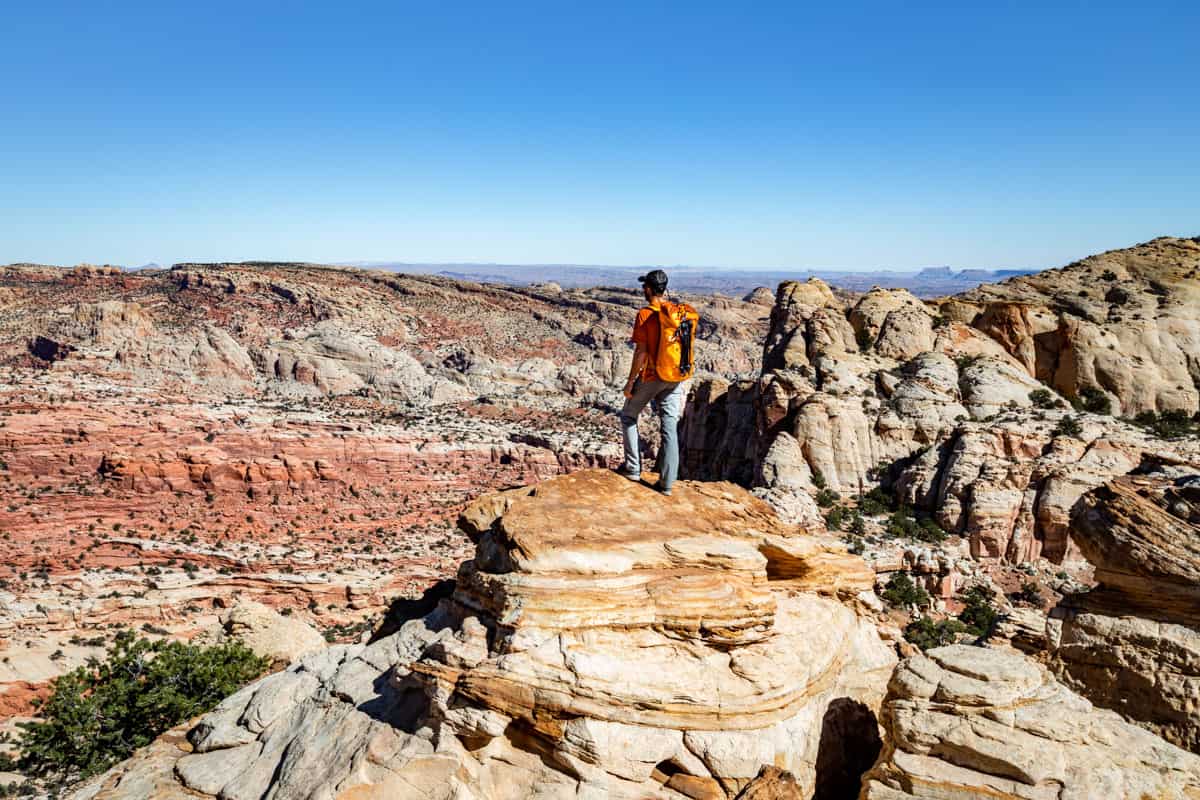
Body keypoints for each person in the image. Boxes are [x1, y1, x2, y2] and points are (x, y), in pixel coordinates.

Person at [618, 269, 687, 496]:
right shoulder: (677, 312)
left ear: (649, 288)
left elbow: (641, 352)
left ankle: (633, 469)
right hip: (675, 377)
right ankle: (667, 484)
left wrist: (630, 382)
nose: (642, 290)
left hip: (652, 376)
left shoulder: (646, 314)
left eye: (643, 286)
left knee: (628, 416)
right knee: (669, 428)